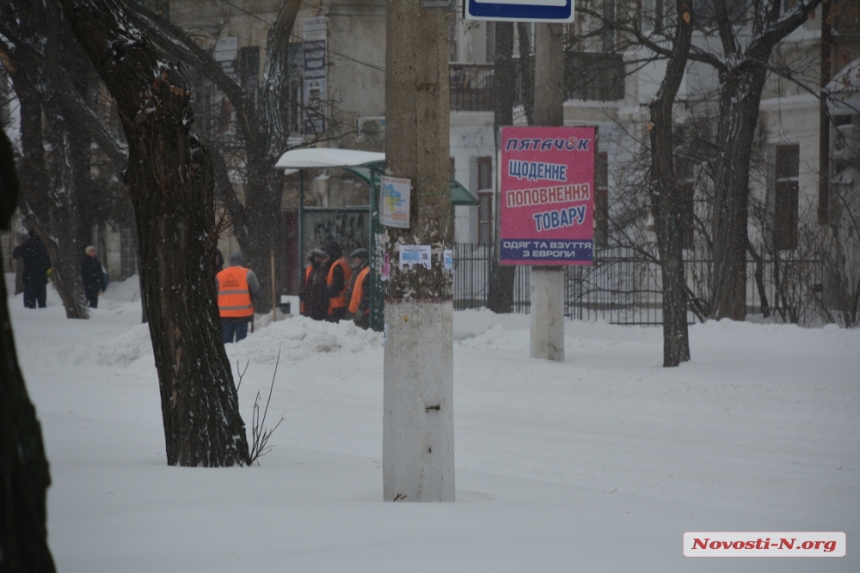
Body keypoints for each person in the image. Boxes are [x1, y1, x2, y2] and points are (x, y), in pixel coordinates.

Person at [216, 252, 260, 343]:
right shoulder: (248, 273)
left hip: (225, 315)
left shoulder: (220, 275)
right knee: (241, 343)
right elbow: (256, 290)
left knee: (227, 343)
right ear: (241, 260)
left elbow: (214, 292)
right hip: (242, 315)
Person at [12, 228, 51, 309]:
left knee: (29, 306)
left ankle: (32, 318)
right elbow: (49, 263)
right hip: (41, 278)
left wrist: (19, 247)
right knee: (42, 305)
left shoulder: (27, 246)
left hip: (29, 278)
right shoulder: (45, 247)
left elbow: (15, 255)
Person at [323, 242, 352, 323]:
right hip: (342, 301)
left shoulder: (337, 265)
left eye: (327, 255)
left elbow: (337, 285)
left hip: (338, 302)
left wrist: (327, 294)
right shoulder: (342, 262)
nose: (326, 258)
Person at [299, 248, 329, 320]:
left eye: (319, 258)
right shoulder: (308, 270)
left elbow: (326, 286)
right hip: (308, 304)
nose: (318, 260)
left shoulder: (324, 271)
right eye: (316, 258)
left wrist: (325, 299)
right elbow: (303, 283)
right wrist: (302, 293)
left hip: (320, 305)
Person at [346, 248, 370, 330]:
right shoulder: (360, 271)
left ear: (362, 259)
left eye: (355, 258)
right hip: (356, 309)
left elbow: (367, 294)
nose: (354, 261)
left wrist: (361, 309)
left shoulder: (366, 272)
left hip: (362, 312)